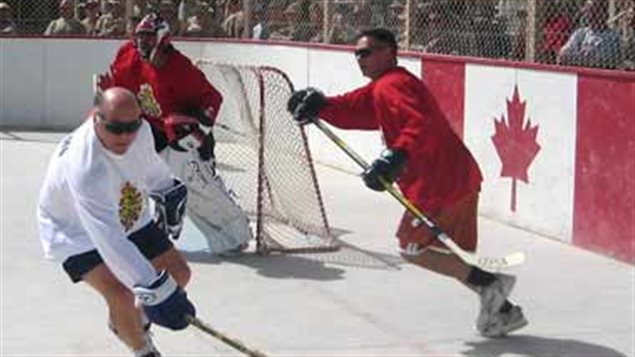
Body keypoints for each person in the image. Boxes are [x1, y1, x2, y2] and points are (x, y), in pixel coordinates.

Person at [287, 28, 528, 338]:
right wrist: (323, 106)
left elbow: (420, 124)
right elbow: (355, 109)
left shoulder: (393, 86)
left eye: (367, 52)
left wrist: (397, 156)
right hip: (458, 178)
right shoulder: (385, 85)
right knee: (450, 255)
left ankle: (491, 284)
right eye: (357, 54)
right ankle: (503, 310)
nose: (359, 59)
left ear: (390, 51)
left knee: (411, 248)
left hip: (440, 184)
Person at [37, 87, 196, 357]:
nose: (125, 136)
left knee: (179, 273)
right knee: (121, 293)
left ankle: (126, 322)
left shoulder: (141, 131)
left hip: (127, 212)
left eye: (131, 127)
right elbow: (109, 240)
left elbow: (149, 164)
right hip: (75, 230)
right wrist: (153, 288)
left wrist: (166, 187)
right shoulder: (85, 168)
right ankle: (141, 349)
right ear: (95, 118)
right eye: (115, 128)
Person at [98, 12, 252, 255]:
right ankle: (147, 227)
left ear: (162, 38)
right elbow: (119, 89)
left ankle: (235, 235)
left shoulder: (180, 69)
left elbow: (212, 99)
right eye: (140, 37)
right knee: (131, 178)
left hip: (183, 138)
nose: (142, 43)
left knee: (196, 185)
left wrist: (196, 132)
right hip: (149, 130)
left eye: (148, 38)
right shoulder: (127, 56)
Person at [558, 0, 623, 69]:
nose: (590, 15)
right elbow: (562, 55)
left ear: (605, 14)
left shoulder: (612, 37)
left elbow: (604, 62)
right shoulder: (580, 33)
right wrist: (586, 58)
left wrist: (577, 56)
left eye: (595, 11)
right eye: (588, 11)